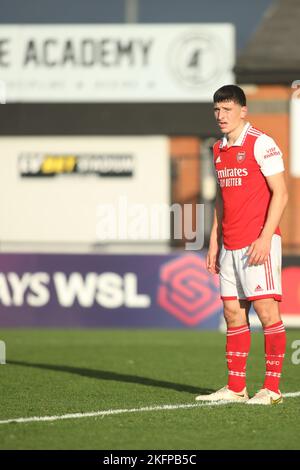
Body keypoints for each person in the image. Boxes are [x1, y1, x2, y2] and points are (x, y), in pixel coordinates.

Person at [195, 85, 288, 405]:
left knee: (266, 311)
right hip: (230, 244)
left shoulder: (262, 143)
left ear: (243, 111)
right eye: (217, 110)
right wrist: (213, 241)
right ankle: (236, 387)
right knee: (232, 313)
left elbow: (282, 193)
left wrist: (265, 236)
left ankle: (272, 388)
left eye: (227, 109)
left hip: (257, 242)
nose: (221, 116)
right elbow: (222, 198)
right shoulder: (218, 149)